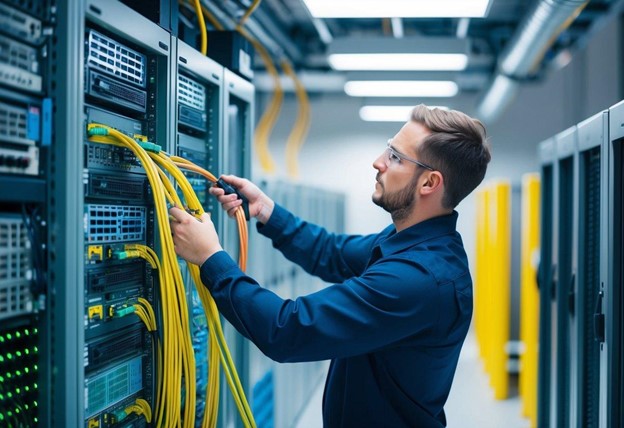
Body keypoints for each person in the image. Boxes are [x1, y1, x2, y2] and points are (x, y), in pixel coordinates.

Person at [169, 104, 491, 427]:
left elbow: (287, 329)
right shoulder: (410, 243)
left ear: (429, 183)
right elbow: (331, 252)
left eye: (395, 157)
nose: (378, 162)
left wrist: (211, 257)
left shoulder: (417, 279)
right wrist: (266, 210)